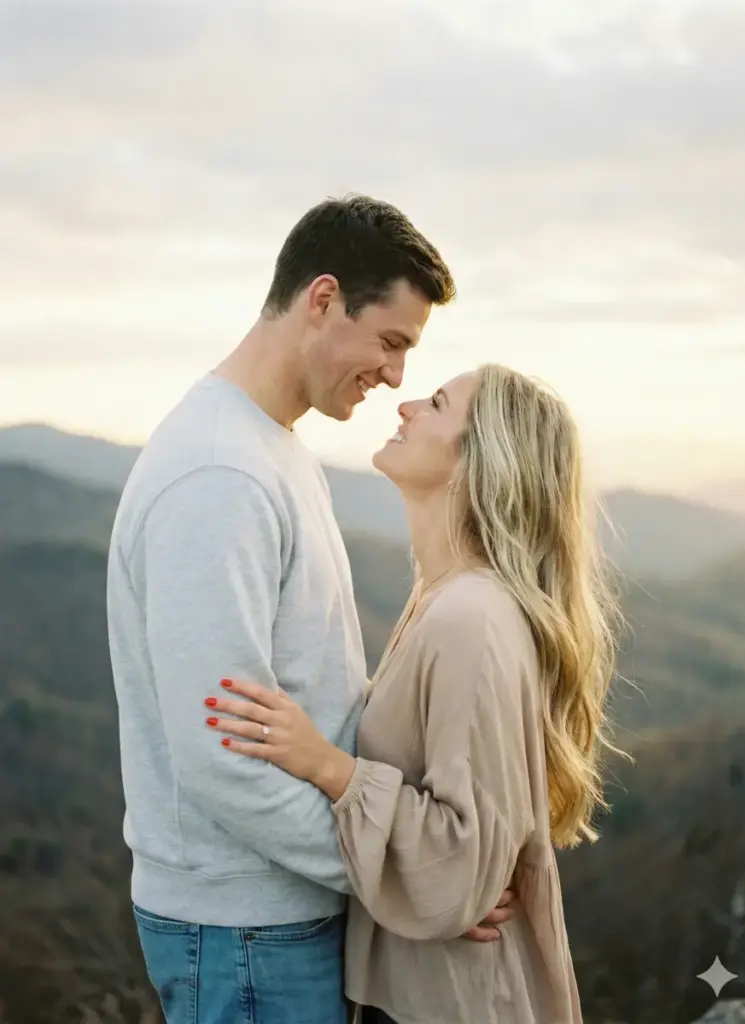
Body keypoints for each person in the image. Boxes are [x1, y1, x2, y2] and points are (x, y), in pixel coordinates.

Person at [106, 194, 515, 1024]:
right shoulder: (219, 476)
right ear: (322, 300)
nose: (397, 376)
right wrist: (412, 879)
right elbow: (224, 758)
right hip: (245, 932)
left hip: (278, 919)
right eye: (391, 341)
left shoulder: (272, 449)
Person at [198, 364, 622, 1024]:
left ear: (479, 459)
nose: (405, 405)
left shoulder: (470, 619)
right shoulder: (443, 600)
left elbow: (460, 863)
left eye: (437, 403)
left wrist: (327, 765)